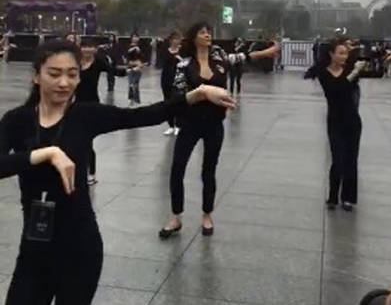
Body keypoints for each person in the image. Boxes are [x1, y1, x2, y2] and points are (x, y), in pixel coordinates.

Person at [0, 39, 234, 305]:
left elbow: (145, 116)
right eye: (54, 74)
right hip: (34, 248)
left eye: (72, 74)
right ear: (36, 76)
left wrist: (198, 93)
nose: (64, 82)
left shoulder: (85, 116)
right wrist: (44, 154)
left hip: (80, 247)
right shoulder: (16, 121)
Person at [160, 21, 279, 238]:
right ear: (194, 37)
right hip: (190, 124)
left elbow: (242, 58)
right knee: (177, 168)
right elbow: (177, 96)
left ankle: (207, 215)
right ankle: (175, 216)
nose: (208, 35)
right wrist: (200, 93)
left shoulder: (219, 56)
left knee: (209, 170)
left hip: (214, 124)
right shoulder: (183, 63)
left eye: (209, 32)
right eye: (203, 32)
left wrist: (266, 53)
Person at [318, 38, 366, 212]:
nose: (344, 56)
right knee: (337, 159)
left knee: (351, 160)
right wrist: (353, 73)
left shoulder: (351, 70)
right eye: (340, 53)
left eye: (346, 53)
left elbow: (372, 73)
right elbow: (335, 90)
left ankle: (348, 198)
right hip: (335, 122)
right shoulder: (324, 73)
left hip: (352, 121)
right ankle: (333, 196)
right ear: (331, 54)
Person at [75, 38, 117, 185]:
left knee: (87, 141)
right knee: (74, 139)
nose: (87, 50)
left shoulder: (98, 62)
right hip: (75, 105)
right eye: (84, 47)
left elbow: (113, 71)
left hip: (92, 106)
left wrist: (129, 70)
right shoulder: (75, 61)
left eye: (90, 47)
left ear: (95, 49)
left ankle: (91, 173)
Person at [161, 31, 183, 136]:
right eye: (174, 39)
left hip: (178, 80)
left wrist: (180, 59)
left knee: (178, 102)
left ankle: (178, 125)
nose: (176, 41)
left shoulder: (182, 51)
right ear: (170, 40)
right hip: (166, 80)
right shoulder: (165, 51)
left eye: (178, 39)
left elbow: (187, 63)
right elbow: (161, 64)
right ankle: (171, 126)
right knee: (168, 103)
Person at [127, 33, 143, 104]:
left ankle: (136, 100)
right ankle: (131, 100)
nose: (135, 38)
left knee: (136, 84)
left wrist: (140, 65)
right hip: (130, 66)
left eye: (137, 37)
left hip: (138, 66)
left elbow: (143, 57)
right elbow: (126, 55)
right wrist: (133, 48)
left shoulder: (141, 47)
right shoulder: (128, 46)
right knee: (130, 83)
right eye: (134, 37)